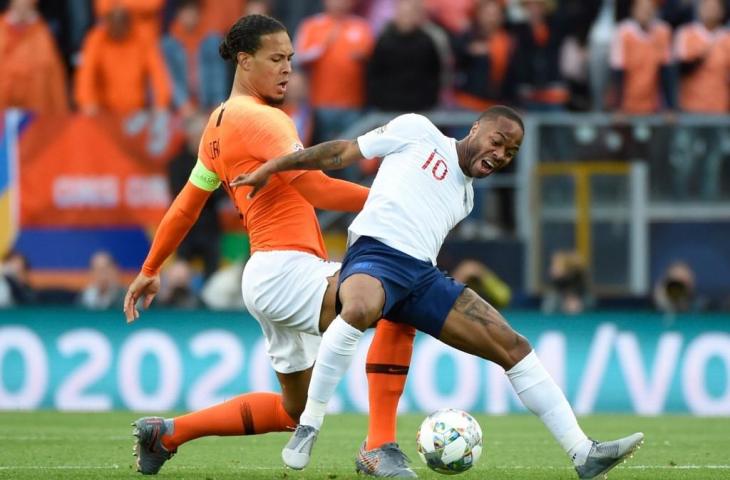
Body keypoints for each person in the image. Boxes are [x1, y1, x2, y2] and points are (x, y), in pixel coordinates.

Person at [232, 105, 645, 479]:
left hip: (420, 277)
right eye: (497, 141)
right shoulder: (418, 130)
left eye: (511, 152)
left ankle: (582, 452)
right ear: (476, 128)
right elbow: (342, 153)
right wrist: (276, 166)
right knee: (358, 308)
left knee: (512, 345)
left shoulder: (465, 197)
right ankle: (310, 426)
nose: (501, 154)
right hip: (375, 254)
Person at [123, 14, 418, 478]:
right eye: (276, 59)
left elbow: (186, 205)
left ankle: (167, 433)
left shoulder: (217, 126)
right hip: (287, 269)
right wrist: (396, 201)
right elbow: (317, 189)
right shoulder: (264, 120)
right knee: (398, 302)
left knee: (293, 413)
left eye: (291, 60)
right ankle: (379, 446)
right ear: (245, 61)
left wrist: (151, 266)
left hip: (268, 274)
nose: (287, 70)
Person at [0, 0, 68, 114]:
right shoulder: (2, 31)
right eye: (19, 5)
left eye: (27, 6)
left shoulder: (43, 36)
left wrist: (61, 114)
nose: (22, 10)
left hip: (35, 113)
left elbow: (55, 80)